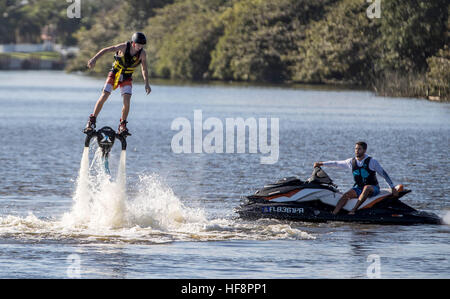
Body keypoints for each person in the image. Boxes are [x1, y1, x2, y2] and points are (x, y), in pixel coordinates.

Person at [83, 32, 151, 136]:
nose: (140, 47)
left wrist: (146, 83)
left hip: (127, 77)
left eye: (142, 45)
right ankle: (91, 122)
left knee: (127, 101)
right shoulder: (123, 47)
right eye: (138, 45)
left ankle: (122, 125)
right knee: (105, 95)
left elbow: (144, 69)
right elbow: (106, 50)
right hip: (115, 73)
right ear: (133, 43)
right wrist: (94, 59)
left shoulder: (142, 54)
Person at [314, 141, 398, 215]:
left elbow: (384, 174)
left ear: (364, 150)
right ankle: (334, 214)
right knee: (346, 195)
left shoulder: (372, 161)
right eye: (356, 149)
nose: (357, 151)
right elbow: (336, 163)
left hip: (373, 188)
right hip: (358, 188)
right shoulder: (351, 161)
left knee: (367, 187)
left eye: (359, 149)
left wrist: (392, 187)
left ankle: (354, 210)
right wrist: (321, 164)